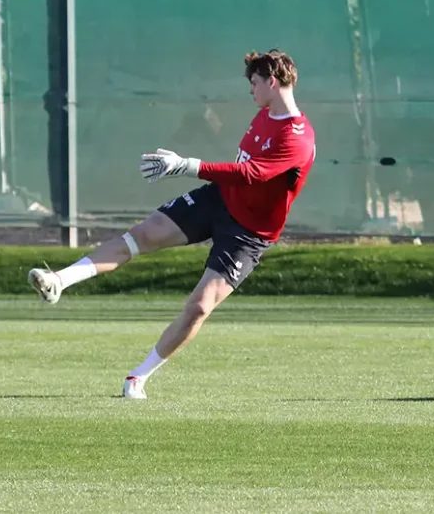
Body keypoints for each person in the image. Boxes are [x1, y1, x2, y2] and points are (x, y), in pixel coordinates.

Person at [27, 49, 317, 399]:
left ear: (272, 81)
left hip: (248, 234)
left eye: (254, 83)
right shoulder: (263, 114)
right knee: (141, 235)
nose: (251, 90)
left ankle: (138, 378)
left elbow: (251, 174)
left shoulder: (297, 136)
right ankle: (59, 280)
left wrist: (188, 165)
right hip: (219, 200)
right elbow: (238, 177)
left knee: (199, 306)